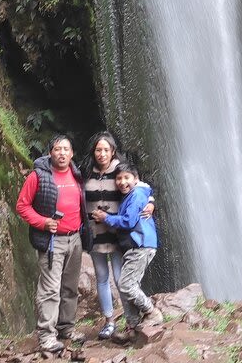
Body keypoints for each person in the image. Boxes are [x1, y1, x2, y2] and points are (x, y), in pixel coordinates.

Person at [16, 134, 93, 353]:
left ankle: (66, 328)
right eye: (57, 149)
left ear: (72, 153)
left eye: (66, 149)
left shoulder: (76, 173)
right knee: (50, 289)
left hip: (75, 238)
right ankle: (46, 335)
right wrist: (43, 222)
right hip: (52, 241)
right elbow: (22, 206)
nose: (62, 153)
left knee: (70, 287)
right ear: (50, 152)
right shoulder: (38, 176)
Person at [80, 132, 155, 339]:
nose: (102, 154)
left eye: (106, 149)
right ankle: (109, 321)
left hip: (118, 235)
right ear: (93, 151)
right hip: (95, 235)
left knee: (121, 278)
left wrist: (151, 201)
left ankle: (132, 322)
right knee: (102, 278)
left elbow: (141, 186)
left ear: (113, 151)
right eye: (98, 149)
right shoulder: (85, 171)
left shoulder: (120, 171)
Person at [92, 162, 163, 343]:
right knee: (128, 287)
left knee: (126, 285)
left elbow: (129, 221)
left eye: (127, 178)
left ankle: (151, 311)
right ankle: (132, 327)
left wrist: (105, 217)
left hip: (141, 245)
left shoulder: (137, 194)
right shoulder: (132, 194)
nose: (122, 182)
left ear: (136, 179)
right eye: (119, 178)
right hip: (135, 246)